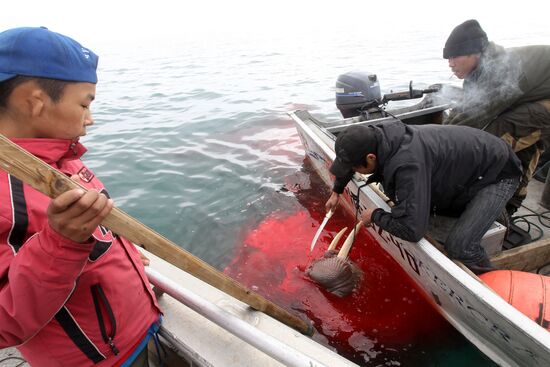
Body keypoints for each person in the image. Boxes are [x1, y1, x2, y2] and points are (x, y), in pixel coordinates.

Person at [0, 27, 161, 366]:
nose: (90, 118)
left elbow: (93, 237)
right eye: (84, 103)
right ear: (35, 102)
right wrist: (61, 242)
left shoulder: (62, 161)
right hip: (98, 358)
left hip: (137, 328)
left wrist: (123, 252)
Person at [325, 120, 522, 274]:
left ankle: (490, 284)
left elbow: (412, 230)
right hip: (468, 167)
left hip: (499, 172)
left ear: (370, 158)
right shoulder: (375, 136)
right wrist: (337, 190)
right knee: (408, 202)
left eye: (354, 168)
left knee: (460, 247)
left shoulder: (408, 165)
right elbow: (350, 162)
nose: (351, 170)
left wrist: (375, 216)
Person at [441, 19, 550, 215]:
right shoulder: (479, 71)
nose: (450, 64)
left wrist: (433, 143)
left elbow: (473, 118)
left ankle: (507, 207)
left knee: (493, 141)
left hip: (545, 103)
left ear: (474, 52)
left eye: (454, 57)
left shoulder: (499, 72)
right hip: (538, 96)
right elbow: (464, 110)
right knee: (519, 139)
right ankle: (510, 201)